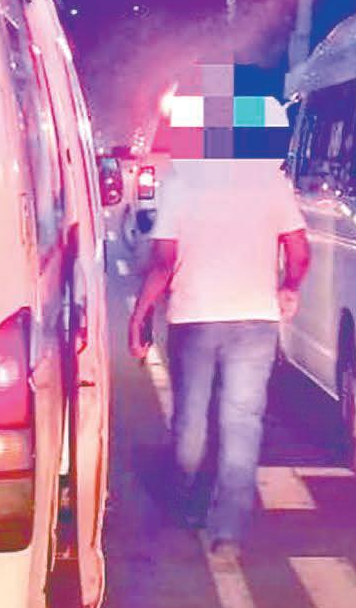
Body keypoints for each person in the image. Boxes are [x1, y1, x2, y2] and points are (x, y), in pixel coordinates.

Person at [127, 158, 309, 567]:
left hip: (194, 318)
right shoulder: (270, 181)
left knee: (192, 420)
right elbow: (298, 252)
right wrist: (289, 286)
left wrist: (140, 314)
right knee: (242, 423)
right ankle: (228, 532)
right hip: (256, 319)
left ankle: (189, 505)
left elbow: (164, 261)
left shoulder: (180, 181)